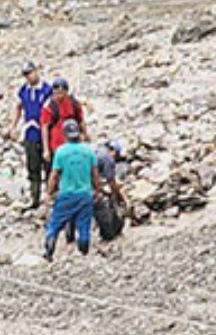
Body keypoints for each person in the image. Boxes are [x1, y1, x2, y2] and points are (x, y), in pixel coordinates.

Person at [43, 120, 101, 262]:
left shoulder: (61, 152)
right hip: (85, 194)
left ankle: (49, 250)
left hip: (66, 194)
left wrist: (49, 193)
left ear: (65, 134)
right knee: (84, 223)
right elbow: (95, 174)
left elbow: (54, 175)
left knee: (55, 223)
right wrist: (97, 190)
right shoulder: (88, 151)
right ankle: (84, 250)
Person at [9, 61, 53, 209]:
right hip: (30, 133)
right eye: (26, 74)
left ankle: (50, 195)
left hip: (46, 132)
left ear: (36, 71)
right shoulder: (24, 91)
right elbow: (18, 106)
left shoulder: (47, 90)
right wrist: (13, 126)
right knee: (32, 167)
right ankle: (35, 197)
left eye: (30, 73)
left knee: (49, 166)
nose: (29, 76)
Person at [41, 77, 88, 164]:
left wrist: (85, 135)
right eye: (56, 93)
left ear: (66, 92)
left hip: (74, 143)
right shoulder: (49, 106)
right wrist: (46, 150)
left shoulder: (74, 103)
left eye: (60, 93)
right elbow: (45, 127)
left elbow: (81, 120)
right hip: (56, 145)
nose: (58, 96)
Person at [92, 139, 127, 242]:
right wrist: (120, 197)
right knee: (104, 205)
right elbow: (111, 182)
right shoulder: (108, 159)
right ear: (114, 152)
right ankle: (108, 234)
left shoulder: (98, 150)